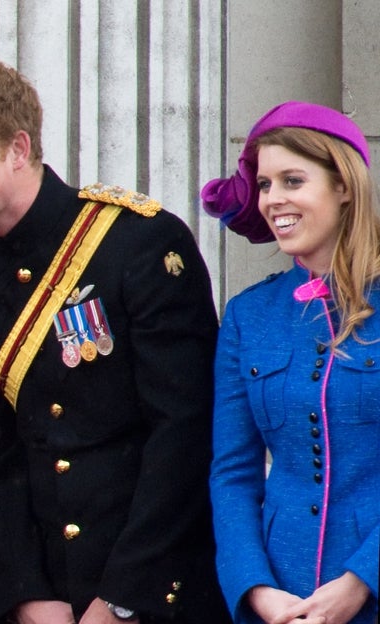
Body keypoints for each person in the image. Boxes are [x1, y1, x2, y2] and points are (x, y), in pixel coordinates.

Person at [0, 57, 231, 624]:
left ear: (16, 147)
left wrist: (121, 600)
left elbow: (183, 433)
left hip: (158, 589)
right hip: (48, 595)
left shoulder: (139, 242)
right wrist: (28, 595)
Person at [201, 101, 380, 624]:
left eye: (292, 180)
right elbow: (232, 474)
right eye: (263, 184)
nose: (273, 199)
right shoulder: (248, 315)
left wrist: (361, 580)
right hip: (284, 600)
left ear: (343, 185)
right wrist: (256, 589)